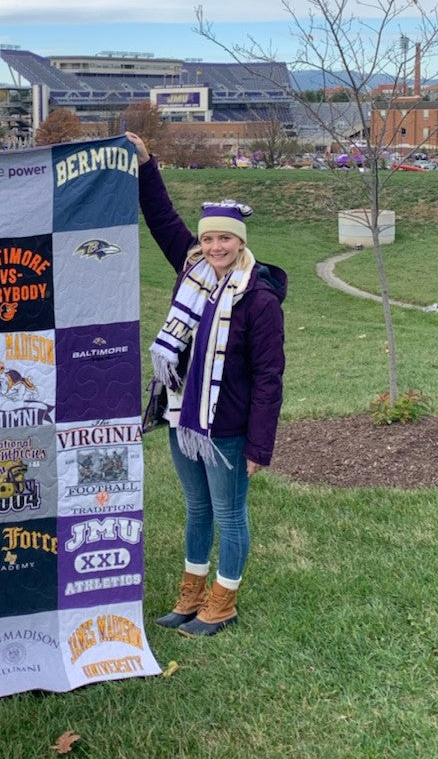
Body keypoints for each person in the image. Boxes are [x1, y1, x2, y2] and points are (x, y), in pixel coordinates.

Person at [126, 132, 286, 638]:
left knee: (228, 512)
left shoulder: (258, 299)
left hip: (228, 427)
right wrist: (147, 165)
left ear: (241, 242)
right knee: (196, 509)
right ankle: (190, 596)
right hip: (181, 416)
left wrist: (260, 445)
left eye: (226, 239)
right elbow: (161, 218)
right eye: (209, 238)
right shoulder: (191, 269)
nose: (216, 247)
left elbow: (269, 378)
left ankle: (223, 601)